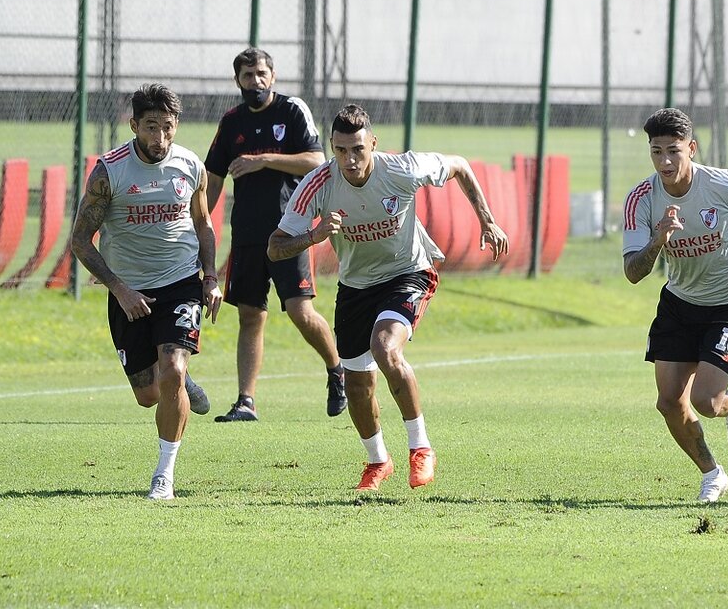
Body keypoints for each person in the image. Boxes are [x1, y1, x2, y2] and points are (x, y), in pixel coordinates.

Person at [268, 104, 509, 491]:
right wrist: (312, 237)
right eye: (341, 150)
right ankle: (378, 461)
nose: (350, 159)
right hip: (355, 287)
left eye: (358, 150)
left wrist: (487, 220)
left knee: (386, 348)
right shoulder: (317, 184)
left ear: (373, 144)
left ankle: (421, 448)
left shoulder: (401, 169)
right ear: (332, 146)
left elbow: (460, 165)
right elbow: (275, 248)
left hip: (408, 273)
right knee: (358, 383)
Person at [70, 83, 224, 500]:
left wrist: (210, 276)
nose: (160, 138)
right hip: (129, 290)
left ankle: (164, 475)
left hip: (180, 283)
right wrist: (119, 289)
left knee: (171, 367)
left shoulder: (191, 166)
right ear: (134, 124)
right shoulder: (110, 171)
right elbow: (81, 240)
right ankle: (179, 380)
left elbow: (203, 223)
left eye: (168, 128)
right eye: (151, 127)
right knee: (147, 395)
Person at [622, 107, 728, 503]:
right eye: (656, 151)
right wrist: (658, 240)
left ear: (691, 149)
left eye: (673, 151)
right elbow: (632, 272)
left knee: (707, 402)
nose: (665, 161)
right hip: (679, 304)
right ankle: (713, 474)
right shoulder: (641, 199)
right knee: (668, 402)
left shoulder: (723, 184)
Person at [205, 47, 346, 422]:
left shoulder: (291, 110)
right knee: (251, 316)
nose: (256, 81)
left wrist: (263, 159)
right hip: (248, 234)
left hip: (290, 232)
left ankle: (337, 370)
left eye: (261, 74)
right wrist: (198, 223)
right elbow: (214, 179)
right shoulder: (231, 122)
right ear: (237, 80)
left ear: (273, 75)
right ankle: (246, 401)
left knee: (300, 311)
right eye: (248, 75)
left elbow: (316, 160)